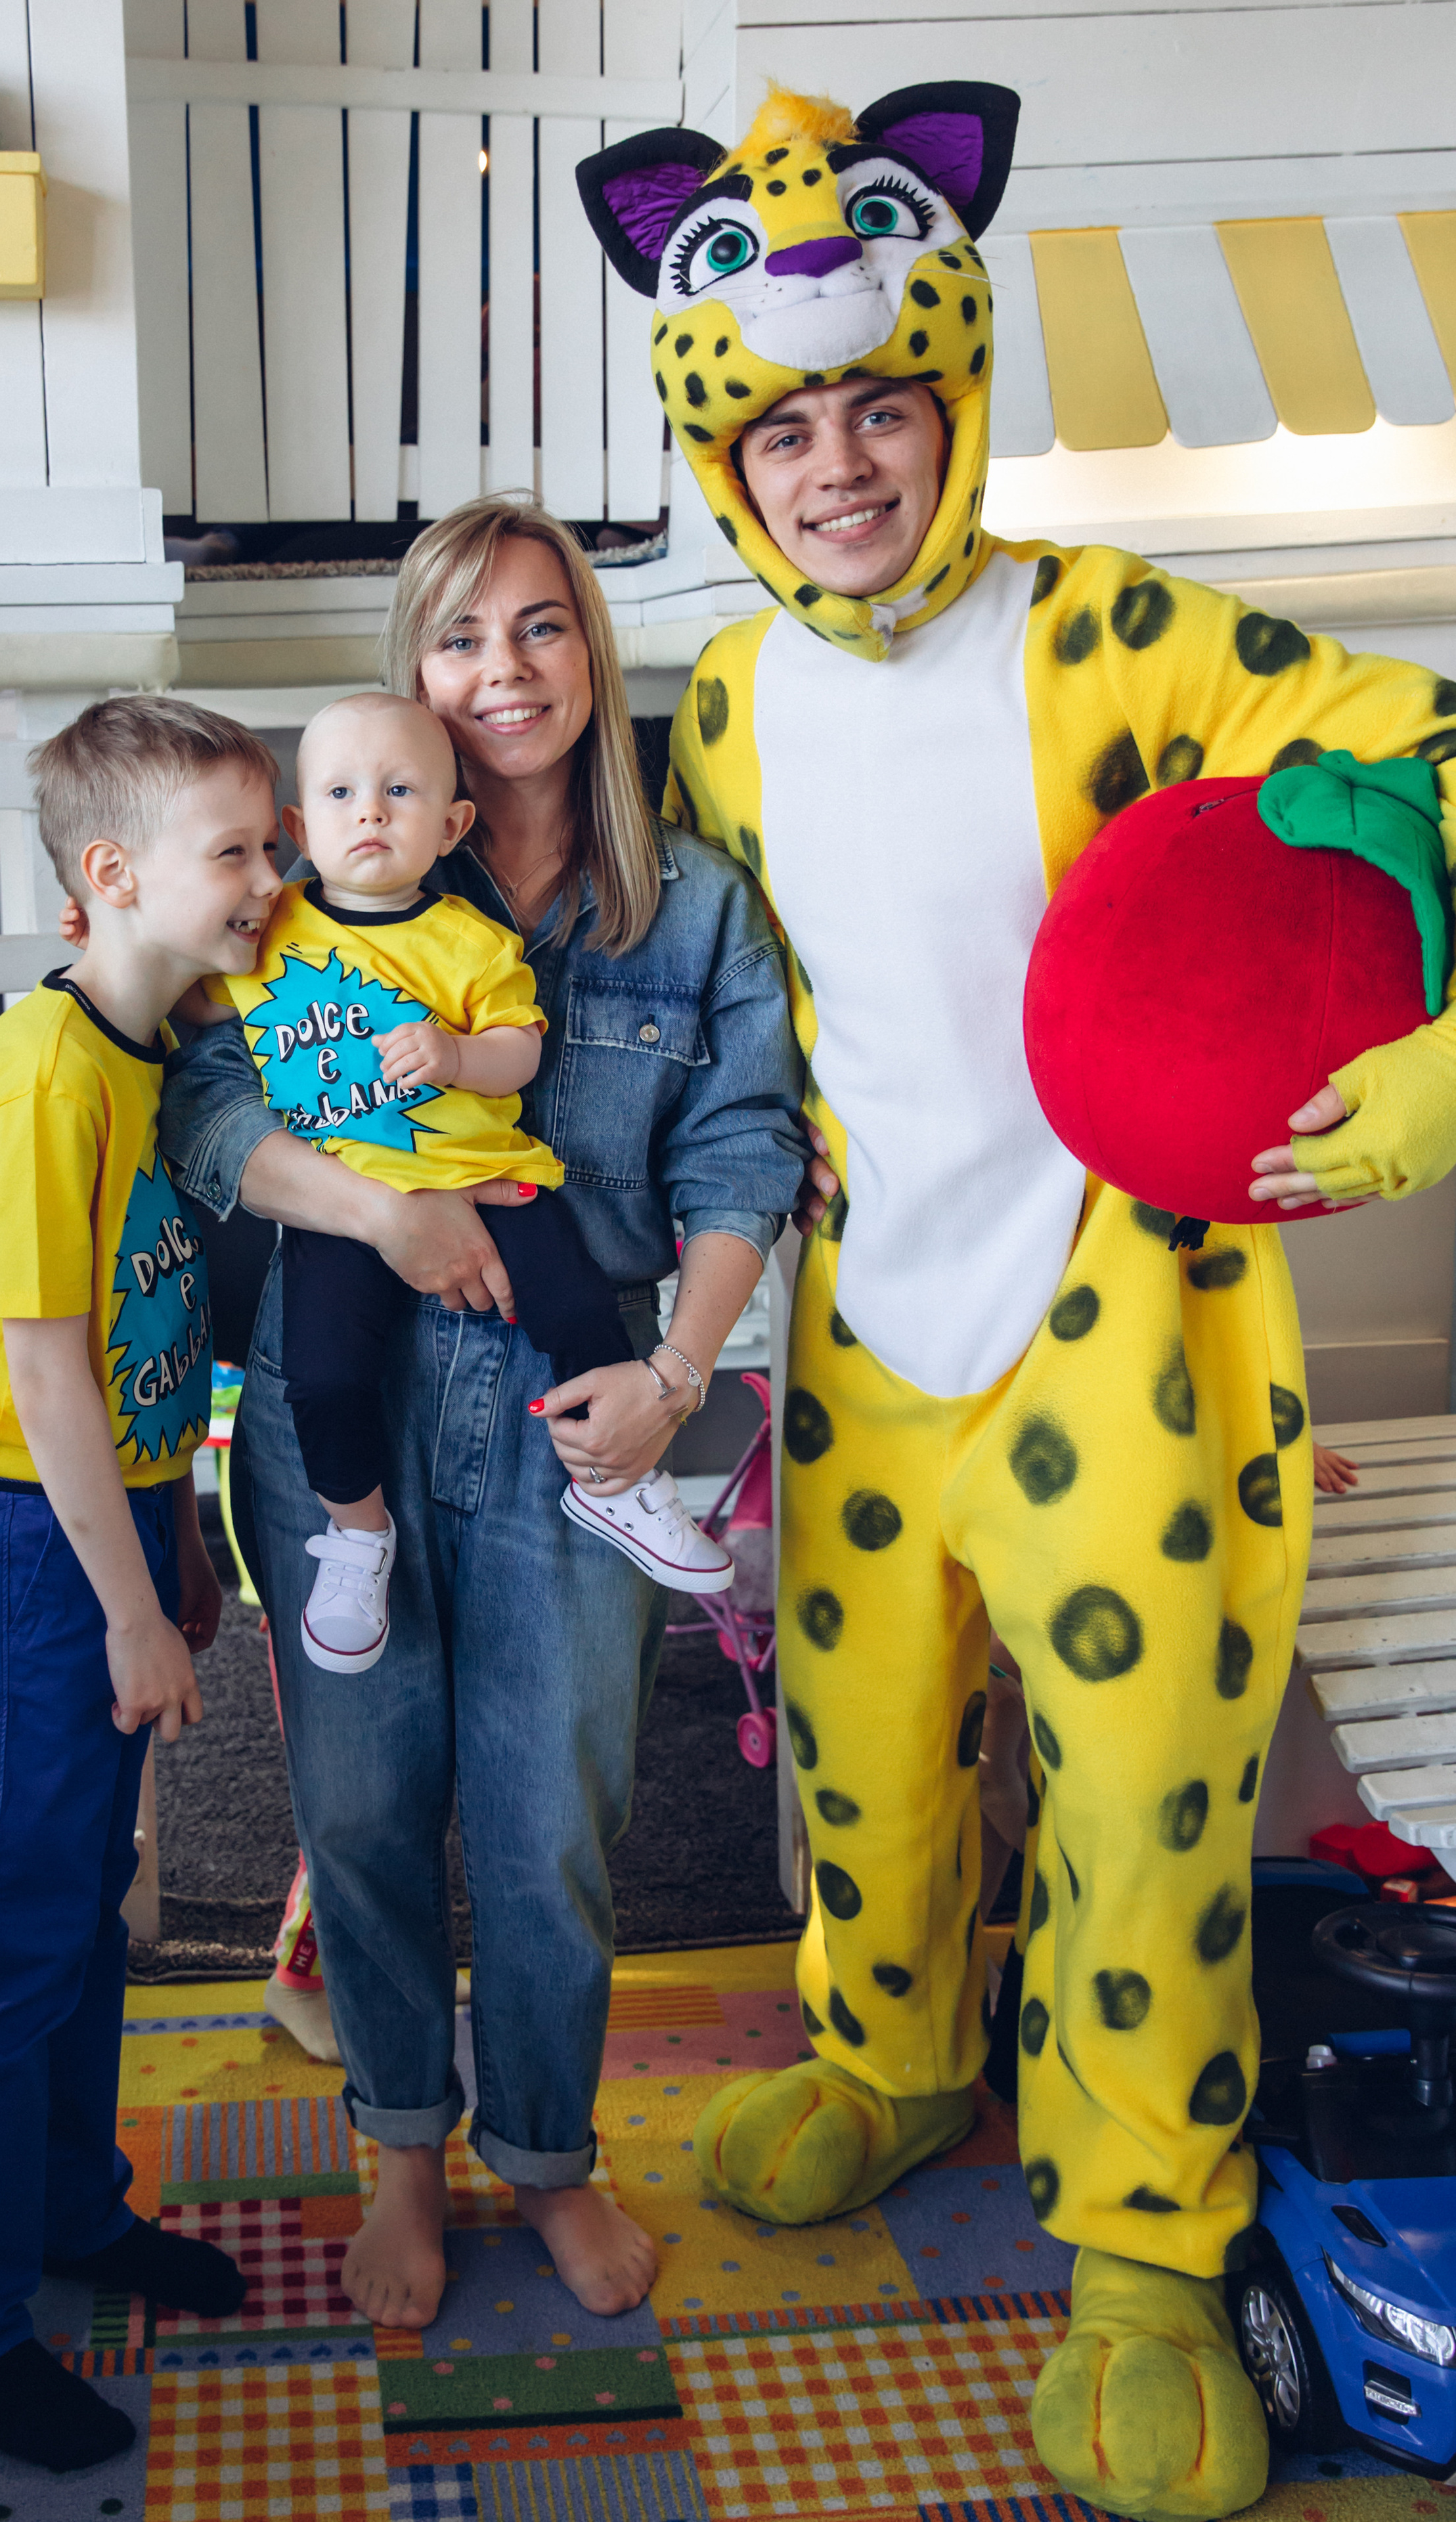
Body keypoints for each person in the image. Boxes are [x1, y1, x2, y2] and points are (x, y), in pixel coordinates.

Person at [579, 81, 1456, 2519]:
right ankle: (891, 2060)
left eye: (884, 407)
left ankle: (1154, 2247)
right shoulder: (731, 703)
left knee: (1148, 1820)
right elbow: (745, 994)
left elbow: (1428, 751)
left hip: (1128, 1346)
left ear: (956, 399)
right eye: (787, 425)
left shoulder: (1113, 625)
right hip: (856, 1331)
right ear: (725, 455)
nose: (841, 465)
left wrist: (1437, 1064)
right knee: (864, 1751)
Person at [156, 495, 807, 2330]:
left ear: (591, 654)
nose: (503, 671)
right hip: (334, 1397)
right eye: (460, 637)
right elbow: (210, 1115)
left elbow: (744, 1152)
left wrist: (675, 1381)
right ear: (411, 681)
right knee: (359, 1808)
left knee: (551, 1821)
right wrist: (385, 1209)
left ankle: (549, 2156)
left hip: (573, 1413)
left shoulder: (692, 912)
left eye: (539, 628)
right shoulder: (297, 905)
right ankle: (398, 2159)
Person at [0, 699, 280, 2472]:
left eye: (272, 848)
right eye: (240, 852)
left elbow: (155, 1360)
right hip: (27, 1539)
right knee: (24, 1934)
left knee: (85, 1919)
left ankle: (74, 2208)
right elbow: (51, 1373)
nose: (269, 881)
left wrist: (183, 1533)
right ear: (112, 874)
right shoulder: (48, 1075)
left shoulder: (158, 1055)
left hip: (113, 1515)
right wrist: (123, 1604)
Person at [180, 691, 733, 1672]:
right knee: (324, 1374)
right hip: (347, 1210)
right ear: (300, 826)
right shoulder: (272, 930)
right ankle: (356, 1538)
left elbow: (521, 1052)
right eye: (343, 794)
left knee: (579, 1312)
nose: (372, 813)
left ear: (452, 824)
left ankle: (624, 1486)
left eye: (401, 792)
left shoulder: (470, 941)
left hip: (493, 1177)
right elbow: (190, 992)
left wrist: (455, 1055)